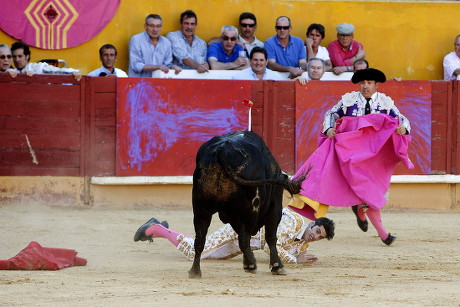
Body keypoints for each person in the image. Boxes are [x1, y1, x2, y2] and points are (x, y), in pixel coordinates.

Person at [290, 68, 412, 246]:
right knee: (340, 186)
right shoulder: (349, 101)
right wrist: (329, 129)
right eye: (362, 83)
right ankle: (383, 234)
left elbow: (402, 120)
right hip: (348, 154)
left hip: (372, 158)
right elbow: (331, 114)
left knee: (369, 191)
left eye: (369, 83)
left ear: (376, 85)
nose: (365, 86)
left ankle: (371, 223)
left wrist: (404, 129)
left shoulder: (386, 103)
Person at [134, 207, 335, 264]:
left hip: (243, 244)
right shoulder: (294, 221)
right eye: (316, 231)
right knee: (194, 253)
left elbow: (288, 250)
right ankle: (157, 229)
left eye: (320, 238)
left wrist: (297, 256)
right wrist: (294, 260)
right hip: (239, 230)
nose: (314, 237)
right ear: (312, 223)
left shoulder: (303, 244)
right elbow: (269, 246)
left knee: (208, 255)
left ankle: (162, 230)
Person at [11, 41, 81, 80]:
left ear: (27, 56)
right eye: (14, 57)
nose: (17, 60)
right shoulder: (10, 72)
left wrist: (72, 72)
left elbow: (57, 71)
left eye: (20, 56)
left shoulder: (38, 67)